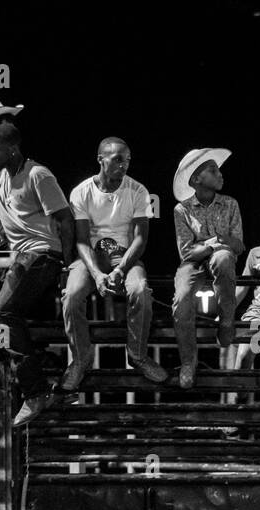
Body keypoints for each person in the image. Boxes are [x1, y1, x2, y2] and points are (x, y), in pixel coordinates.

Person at [0, 122, 76, 425]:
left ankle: (35, 392)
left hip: (43, 254)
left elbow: (65, 220)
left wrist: (67, 266)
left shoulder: (37, 175)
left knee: (2, 316)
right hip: (21, 258)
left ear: (12, 149)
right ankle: (41, 383)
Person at [65, 137, 167, 385]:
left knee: (141, 290)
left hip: (125, 257)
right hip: (92, 257)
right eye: (118, 159)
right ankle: (81, 359)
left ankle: (137, 354)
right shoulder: (81, 192)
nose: (124, 165)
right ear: (101, 159)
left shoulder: (138, 190)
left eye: (128, 161)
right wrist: (98, 274)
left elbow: (141, 238)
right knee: (71, 295)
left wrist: (121, 268)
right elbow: (81, 240)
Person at [171, 148, 244, 389]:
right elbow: (186, 253)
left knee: (224, 259)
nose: (220, 174)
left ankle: (226, 321)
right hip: (192, 264)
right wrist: (216, 241)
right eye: (213, 170)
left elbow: (237, 244)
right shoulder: (182, 209)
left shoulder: (230, 204)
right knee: (181, 297)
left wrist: (209, 246)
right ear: (196, 179)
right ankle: (188, 362)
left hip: (218, 257)